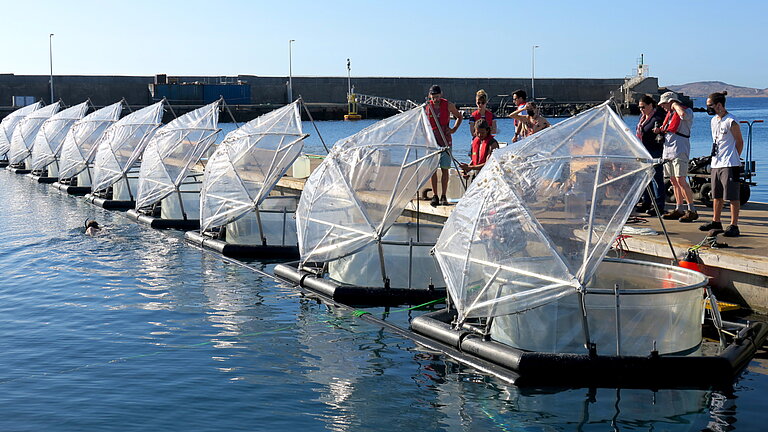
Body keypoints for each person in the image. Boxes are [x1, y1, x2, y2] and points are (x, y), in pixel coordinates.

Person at [699, 91, 744, 237]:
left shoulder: (731, 120)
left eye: (710, 105)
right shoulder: (714, 121)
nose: (708, 108)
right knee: (716, 195)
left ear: (719, 105)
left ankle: (734, 225)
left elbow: (739, 141)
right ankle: (716, 221)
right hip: (716, 162)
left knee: (732, 195)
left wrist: (735, 157)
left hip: (729, 163)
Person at [654, 91, 698, 222]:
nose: (663, 107)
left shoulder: (686, 111)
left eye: (664, 104)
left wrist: (674, 104)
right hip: (668, 151)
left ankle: (692, 209)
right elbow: (667, 129)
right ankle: (679, 208)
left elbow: (683, 115)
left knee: (681, 180)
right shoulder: (670, 115)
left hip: (680, 150)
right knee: (673, 181)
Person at [425, 85, 462, 206]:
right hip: (432, 142)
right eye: (433, 97)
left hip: (445, 140)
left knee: (445, 168)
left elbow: (459, 116)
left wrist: (453, 129)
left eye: (437, 96)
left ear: (441, 94)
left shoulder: (448, 105)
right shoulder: (427, 107)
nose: (435, 99)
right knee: (433, 170)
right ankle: (435, 195)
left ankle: (443, 195)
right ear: (430, 96)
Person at [635, 95, 666, 215]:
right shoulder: (642, 117)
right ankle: (646, 201)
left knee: (656, 178)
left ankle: (658, 205)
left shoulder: (657, 117)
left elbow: (662, 133)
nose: (641, 109)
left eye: (643, 107)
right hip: (642, 150)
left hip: (654, 150)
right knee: (644, 177)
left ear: (650, 105)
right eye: (639, 107)